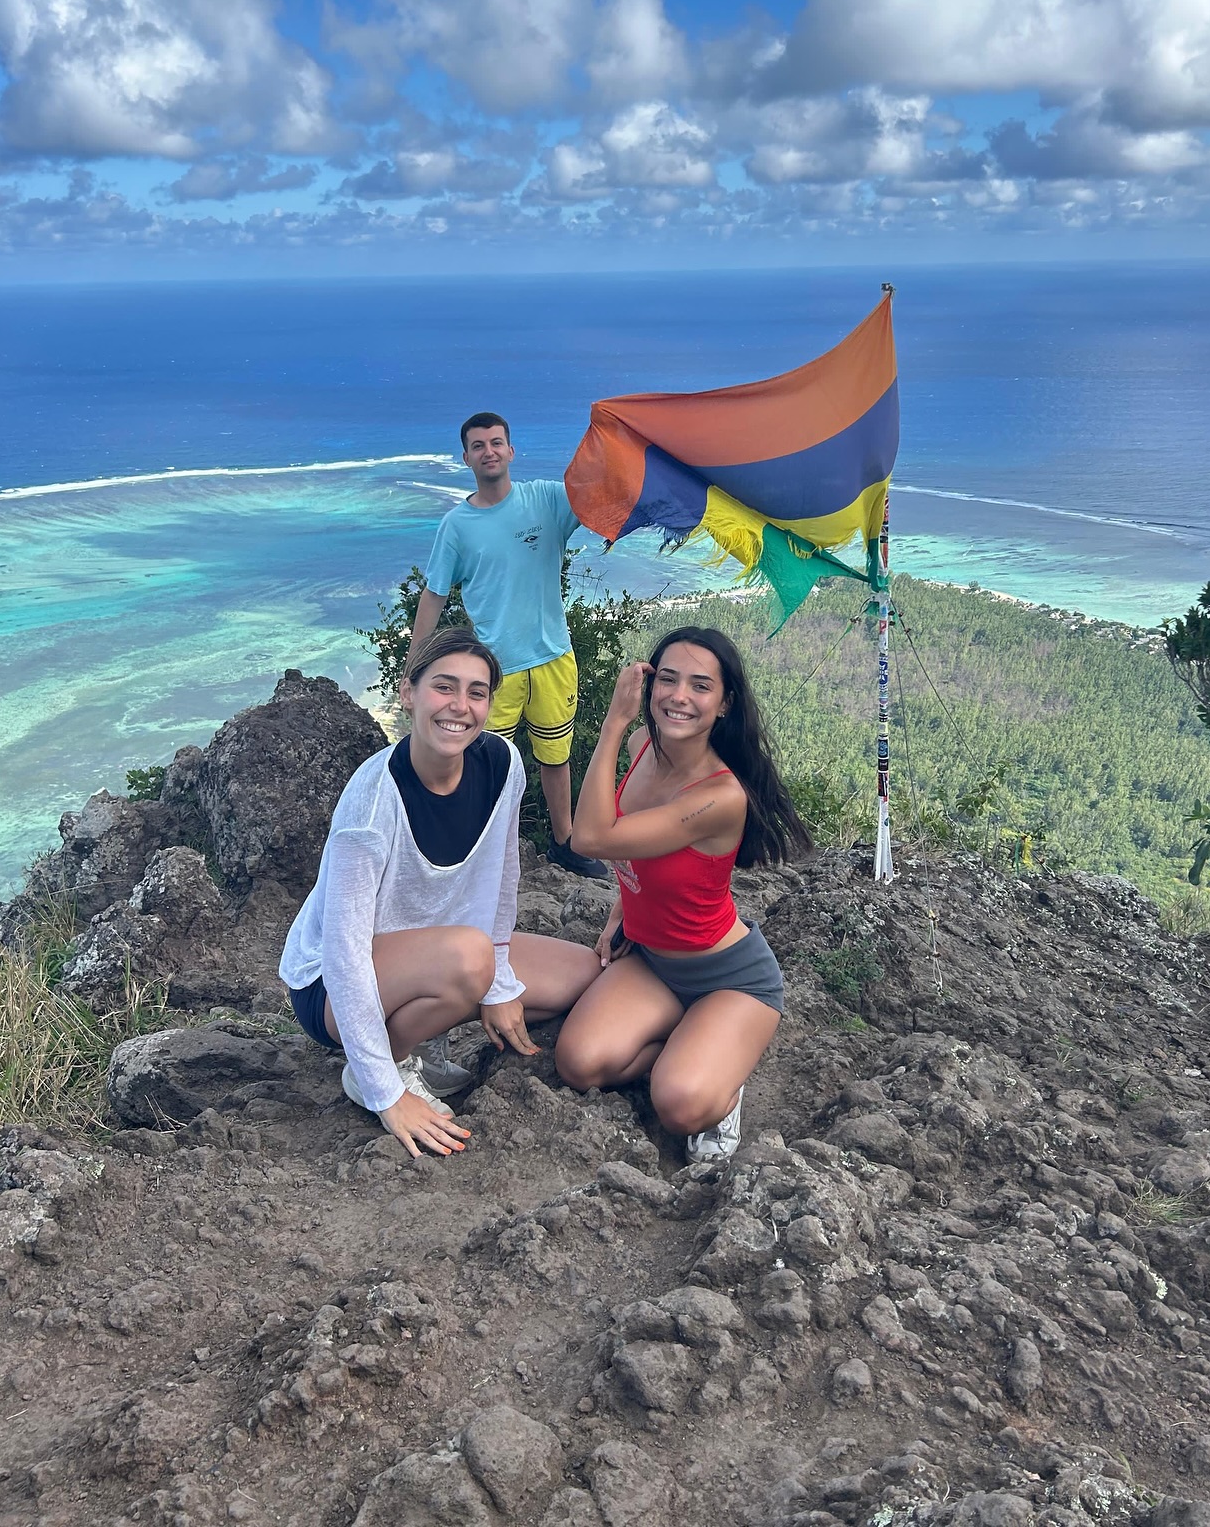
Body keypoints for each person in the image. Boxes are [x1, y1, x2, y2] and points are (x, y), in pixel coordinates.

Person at [279, 629, 601, 1158]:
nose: (460, 706)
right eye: (443, 687)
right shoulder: (373, 801)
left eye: (477, 692)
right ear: (408, 693)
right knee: (470, 958)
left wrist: (498, 985)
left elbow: (503, 878)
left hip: (443, 951)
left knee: (580, 974)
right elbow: (344, 951)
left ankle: (432, 1021)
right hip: (330, 985)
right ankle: (388, 1061)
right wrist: (386, 1094)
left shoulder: (502, 765)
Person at [554, 626, 812, 1161]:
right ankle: (693, 1043)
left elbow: (591, 838)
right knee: (578, 1064)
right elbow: (641, 852)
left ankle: (723, 1081)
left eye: (700, 685)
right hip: (653, 962)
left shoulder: (720, 797)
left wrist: (612, 723)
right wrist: (622, 910)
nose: (679, 696)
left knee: (680, 1106)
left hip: (730, 979)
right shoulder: (641, 748)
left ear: (724, 704)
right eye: (667, 679)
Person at [407, 412, 607, 882]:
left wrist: (623, 440)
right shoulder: (457, 526)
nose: (489, 451)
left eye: (496, 442)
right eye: (478, 446)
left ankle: (564, 843)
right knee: (482, 761)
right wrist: (415, 669)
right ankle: (481, 849)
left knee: (555, 758)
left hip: (553, 655)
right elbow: (434, 595)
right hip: (493, 669)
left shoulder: (546, 500)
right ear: (466, 458)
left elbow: (599, 494)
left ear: (511, 451)